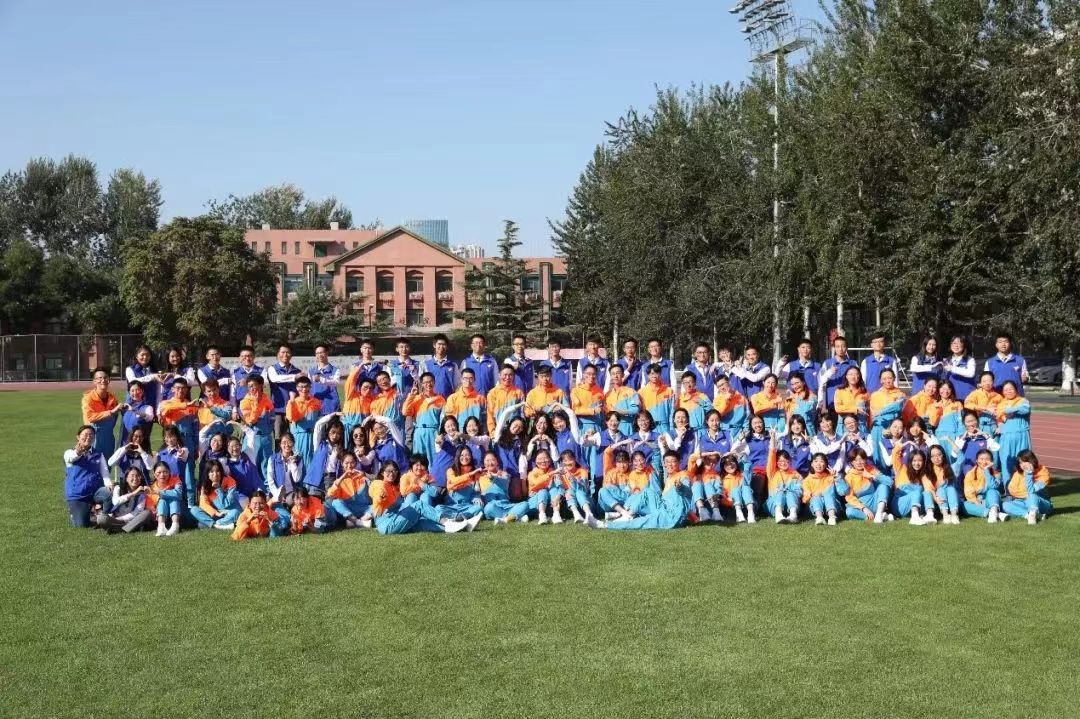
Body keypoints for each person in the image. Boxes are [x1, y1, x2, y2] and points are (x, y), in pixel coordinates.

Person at [585, 451, 694, 531]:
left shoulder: (683, 476)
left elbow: (686, 492)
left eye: (673, 462)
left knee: (637, 523)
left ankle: (603, 524)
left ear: (679, 462)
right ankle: (626, 514)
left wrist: (680, 487)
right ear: (664, 464)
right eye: (667, 462)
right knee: (646, 491)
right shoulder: (669, 477)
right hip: (660, 507)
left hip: (669, 517)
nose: (670, 464)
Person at [368, 462, 479, 535]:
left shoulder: (396, 486)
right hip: (387, 523)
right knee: (418, 504)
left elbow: (434, 493)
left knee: (422, 523)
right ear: (382, 472)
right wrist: (380, 496)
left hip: (397, 518)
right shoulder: (379, 483)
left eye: (394, 471)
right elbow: (376, 490)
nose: (392, 474)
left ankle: (460, 525)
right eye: (388, 471)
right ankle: (448, 521)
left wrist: (422, 483)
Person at [63, 425, 114, 528]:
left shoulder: (98, 454)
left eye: (91, 435)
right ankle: (75, 515)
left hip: (94, 492)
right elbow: (71, 458)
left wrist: (109, 484)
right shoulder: (69, 452)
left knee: (108, 494)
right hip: (78, 495)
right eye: (85, 434)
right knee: (82, 525)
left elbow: (104, 472)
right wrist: (78, 452)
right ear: (78, 437)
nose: (88, 437)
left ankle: (102, 517)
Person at [157, 377, 200, 494]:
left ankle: (189, 502)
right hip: (172, 442)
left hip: (188, 441)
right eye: (178, 388)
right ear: (172, 389)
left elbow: (195, 429)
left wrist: (196, 447)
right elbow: (165, 410)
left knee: (189, 475)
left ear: (187, 389)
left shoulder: (192, 406)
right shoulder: (165, 403)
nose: (180, 391)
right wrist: (185, 405)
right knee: (172, 473)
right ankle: (172, 498)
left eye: (183, 388)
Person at [81, 368, 126, 457]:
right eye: (99, 378)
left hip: (108, 437)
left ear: (109, 380)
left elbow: (115, 418)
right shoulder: (88, 398)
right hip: (92, 437)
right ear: (94, 381)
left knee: (107, 464)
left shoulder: (113, 398)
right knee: (93, 463)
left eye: (105, 377)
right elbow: (90, 417)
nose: (103, 380)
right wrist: (111, 412)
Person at [840, 447, 892, 523]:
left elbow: (890, 482)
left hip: (876, 502)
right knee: (849, 511)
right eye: (855, 460)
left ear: (865, 460)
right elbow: (850, 497)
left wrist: (872, 476)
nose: (858, 462)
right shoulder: (849, 477)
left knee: (883, 486)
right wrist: (863, 508)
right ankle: (879, 517)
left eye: (861, 459)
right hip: (862, 505)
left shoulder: (871, 469)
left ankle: (879, 513)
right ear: (851, 462)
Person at [477, 452, 530, 524]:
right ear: (484, 462)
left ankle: (506, 519)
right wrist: (477, 497)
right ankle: (514, 517)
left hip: (506, 506)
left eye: (493, 460)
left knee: (525, 505)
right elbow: (477, 491)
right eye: (487, 460)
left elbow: (504, 482)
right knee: (488, 508)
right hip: (493, 507)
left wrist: (493, 477)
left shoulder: (504, 474)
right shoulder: (480, 477)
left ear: (497, 462)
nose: (490, 463)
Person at [97, 466, 153, 533]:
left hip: (131, 520)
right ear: (126, 478)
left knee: (147, 513)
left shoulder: (142, 494)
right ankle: (128, 528)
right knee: (101, 518)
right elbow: (116, 502)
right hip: (115, 519)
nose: (135, 478)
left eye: (138, 476)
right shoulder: (118, 488)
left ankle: (120, 529)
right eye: (132, 476)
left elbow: (136, 513)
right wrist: (134, 493)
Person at [189, 459, 241, 530]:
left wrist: (218, 489)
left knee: (236, 512)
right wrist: (215, 512)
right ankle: (217, 525)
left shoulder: (230, 481)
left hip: (229, 512)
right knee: (194, 509)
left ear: (221, 471)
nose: (215, 474)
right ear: (207, 474)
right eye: (212, 472)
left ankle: (211, 524)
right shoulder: (205, 485)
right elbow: (203, 504)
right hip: (215, 513)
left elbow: (226, 504)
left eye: (218, 471)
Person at [266, 344, 305, 439]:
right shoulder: (272, 369)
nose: (285, 355)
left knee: (294, 436)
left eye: (288, 352)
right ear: (278, 354)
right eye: (283, 352)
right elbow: (275, 379)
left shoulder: (297, 371)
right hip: (278, 409)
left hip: (294, 409)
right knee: (278, 437)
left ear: (291, 355)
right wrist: (294, 377)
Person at [1002, 450, 1051, 524]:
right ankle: (1029, 515)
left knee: (1032, 496)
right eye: (1020, 463)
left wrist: (1029, 474)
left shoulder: (1043, 471)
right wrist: (1026, 495)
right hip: (1023, 502)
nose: (1023, 465)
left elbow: (1032, 490)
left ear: (1031, 460)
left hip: (1041, 503)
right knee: (1005, 505)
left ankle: (1033, 514)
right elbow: (1012, 490)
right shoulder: (1017, 474)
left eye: (1025, 461)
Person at [238, 374, 275, 472]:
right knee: (251, 465)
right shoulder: (244, 402)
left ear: (261, 385)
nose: (252, 389)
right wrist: (255, 404)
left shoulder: (268, 400)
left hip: (266, 438)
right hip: (252, 438)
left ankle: (266, 482)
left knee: (267, 465)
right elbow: (250, 421)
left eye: (254, 385)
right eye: (249, 386)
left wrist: (267, 432)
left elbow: (272, 418)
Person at [326, 453, 373, 529]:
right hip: (348, 509)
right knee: (336, 502)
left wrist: (365, 475)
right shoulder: (340, 480)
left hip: (364, 508)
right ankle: (356, 521)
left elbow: (377, 482)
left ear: (356, 463)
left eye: (352, 462)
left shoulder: (362, 476)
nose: (349, 465)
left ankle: (360, 520)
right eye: (346, 463)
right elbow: (330, 494)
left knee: (377, 505)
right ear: (342, 464)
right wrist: (342, 477)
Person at [995, 380, 1031, 479]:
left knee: (1024, 461)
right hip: (1007, 437)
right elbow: (1000, 419)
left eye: (1011, 389)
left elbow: (1025, 410)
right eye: (1006, 390)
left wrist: (1009, 409)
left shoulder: (1023, 401)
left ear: (1016, 390)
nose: (1008, 391)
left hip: (1022, 435)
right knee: (1006, 462)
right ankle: (1008, 487)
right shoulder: (1001, 404)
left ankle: (1024, 485)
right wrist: (1000, 426)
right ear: (1003, 392)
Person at [889, 444, 933, 525]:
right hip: (899, 505)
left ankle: (930, 515)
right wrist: (907, 442)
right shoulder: (902, 468)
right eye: (914, 460)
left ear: (923, 462)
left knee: (927, 492)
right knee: (917, 490)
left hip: (914, 506)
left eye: (920, 460)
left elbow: (929, 488)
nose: (917, 463)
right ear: (910, 461)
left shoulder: (922, 476)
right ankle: (914, 517)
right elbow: (895, 453)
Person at [764, 431, 802, 523]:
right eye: (780, 461)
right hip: (774, 505)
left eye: (785, 461)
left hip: (791, 504)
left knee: (790, 493)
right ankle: (779, 515)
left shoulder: (795, 474)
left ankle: (793, 516)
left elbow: (799, 491)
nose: (783, 463)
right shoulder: (772, 472)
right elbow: (772, 454)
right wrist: (773, 438)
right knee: (780, 493)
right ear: (776, 462)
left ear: (789, 461)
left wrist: (790, 491)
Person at [285, 376, 323, 465]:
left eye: (306, 386)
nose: (304, 389)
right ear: (297, 388)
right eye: (301, 387)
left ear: (310, 387)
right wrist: (291, 401)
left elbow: (319, 419)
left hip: (313, 436)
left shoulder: (316, 402)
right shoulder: (294, 402)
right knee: (299, 462)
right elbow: (290, 417)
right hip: (299, 437)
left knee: (312, 461)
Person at [961, 449, 1005, 522]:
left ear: (991, 461)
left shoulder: (996, 473)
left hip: (993, 501)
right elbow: (968, 492)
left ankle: (993, 510)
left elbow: (992, 486)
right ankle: (993, 514)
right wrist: (976, 502)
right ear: (977, 461)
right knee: (964, 505)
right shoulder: (970, 474)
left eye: (987, 459)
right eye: (981, 459)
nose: (984, 462)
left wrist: (986, 470)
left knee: (992, 491)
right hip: (979, 502)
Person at [443, 445, 486, 520]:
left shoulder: (475, 472)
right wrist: (470, 474)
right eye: (462, 455)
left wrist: (477, 498)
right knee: (438, 508)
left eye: (467, 455)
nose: (465, 458)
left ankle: (460, 517)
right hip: (452, 505)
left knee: (479, 507)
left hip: (467, 505)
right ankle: (461, 516)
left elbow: (476, 490)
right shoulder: (451, 470)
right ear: (458, 456)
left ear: (471, 456)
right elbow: (453, 482)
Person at [818, 335, 857, 411]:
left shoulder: (853, 363)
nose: (840, 349)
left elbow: (859, 381)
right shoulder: (827, 363)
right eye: (838, 346)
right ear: (834, 348)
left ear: (847, 348)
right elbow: (821, 382)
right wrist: (829, 372)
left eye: (843, 346)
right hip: (831, 403)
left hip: (849, 404)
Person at [925, 444, 962, 524]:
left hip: (953, 499)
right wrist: (935, 498)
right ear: (930, 458)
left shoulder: (950, 468)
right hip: (938, 500)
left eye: (939, 455)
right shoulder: (927, 472)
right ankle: (945, 515)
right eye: (933, 456)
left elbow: (961, 460)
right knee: (941, 489)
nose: (936, 458)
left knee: (950, 488)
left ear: (943, 455)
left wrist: (956, 449)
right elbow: (929, 488)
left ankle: (954, 515)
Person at [265, 433, 304, 507]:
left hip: (292, 493)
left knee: (295, 500)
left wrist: (293, 463)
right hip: (276, 492)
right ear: (280, 444)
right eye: (284, 442)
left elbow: (297, 479)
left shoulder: (298, 459)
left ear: (293, 444)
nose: (287, 445)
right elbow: (270, 480)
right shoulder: (273, 459)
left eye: (289, 442)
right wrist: (277, 494)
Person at [147, 460, 183, 537]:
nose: (162, 475)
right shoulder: (152, 488)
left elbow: (179, 494)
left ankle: (175, 525)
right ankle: (161, 527)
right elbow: (150, 506)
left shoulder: (176, 479)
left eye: (165, 472)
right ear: (154, 474)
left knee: (173, 498)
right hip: (160, 515)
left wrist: (161, 493)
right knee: (162, 500)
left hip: (177, 513)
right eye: (159, 472)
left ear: (169, 472)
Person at [802, 453, 839, 526]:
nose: (818, 464)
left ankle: (832, 517)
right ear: (812, 464)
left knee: (828, 494)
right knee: (816, 497)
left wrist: (837, 478)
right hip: (816, 508)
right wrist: (810, 495)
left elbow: (843, 491)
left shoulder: (831, 477)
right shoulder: (807, 480)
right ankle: (819, 518)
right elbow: (805, 499)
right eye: (816, 461)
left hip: (833, 507)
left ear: (825, 464)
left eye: (821, 461)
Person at [604, 364, 640, 436]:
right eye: (613, 374)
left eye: (618, 373)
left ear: (623, 375)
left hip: (627, 427)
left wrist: (621, 412)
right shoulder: (607, 395)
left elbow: (636, 409)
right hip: (611, 428)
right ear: (610, 376)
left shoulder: (631, 391)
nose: (615, 376)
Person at [420, 333, 459, 398]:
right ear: (434, 345)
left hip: (448, 400)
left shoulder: (453, 365)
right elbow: (421, 385)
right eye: (439, 344)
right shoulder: (425, 364)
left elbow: (457, 385)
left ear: (447, 346)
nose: (441, 347)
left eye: (444, 344)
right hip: (430, 400)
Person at [833, 366, 870, 433]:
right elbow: (838, 408)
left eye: (856, 374)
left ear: (859, 376)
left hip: (861, 427)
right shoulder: (840, 391)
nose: (853, 377)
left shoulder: (864, 392)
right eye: (850, 374)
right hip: (844, 427)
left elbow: (868, 410)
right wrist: (855, 410)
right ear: (846, 376)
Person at [120, 381, 155, 449]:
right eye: (132, 391)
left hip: (141, 445)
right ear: (129, 392)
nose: (135, 393)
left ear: (142, 391)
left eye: (137, 390)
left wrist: (134, 410)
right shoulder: (126, 407)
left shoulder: (147, 407)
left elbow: (150, 417)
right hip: (126, 443)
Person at [369, 370, 405, 435]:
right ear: (377, 385)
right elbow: (375, 419)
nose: (383, 382)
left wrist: (390, 365)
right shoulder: (376, 401)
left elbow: (399, 374)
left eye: (385, 378)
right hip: (384, 433)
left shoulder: (398, 394)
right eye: (379, 381)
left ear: (389, 379)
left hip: (399, 431)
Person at [309, 344, 341, 416]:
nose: (319, 355)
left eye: (321, 352)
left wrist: (321, 379)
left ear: (327, 353)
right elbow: (308, 388)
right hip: (315, 406)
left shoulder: (335, 370)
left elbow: (336, 382)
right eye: (317, 353)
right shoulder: (311, 371)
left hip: (331, 406)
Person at [942, 336, 977, 401]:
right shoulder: (947, 360)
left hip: (968, 397)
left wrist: (952, 368)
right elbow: (944, 379)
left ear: (964, 345)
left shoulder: (970, 360)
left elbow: (971, 373)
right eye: (954, 343)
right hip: (952, 397)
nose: (956, 345)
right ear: (950, 345)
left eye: (959, 343)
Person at [230, 345, 262, 414]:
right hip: (241, 409)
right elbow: (233, 393)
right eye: (244, 356)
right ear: (239, 358)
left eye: (249, 356)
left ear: (254, 357)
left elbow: (264, 383)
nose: (247, 358)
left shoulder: (261, 371)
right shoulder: (235, 373)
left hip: (258, 407)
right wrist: (234, 410)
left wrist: (247, 382)